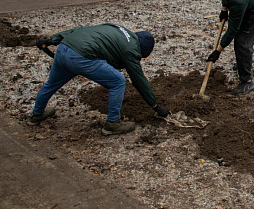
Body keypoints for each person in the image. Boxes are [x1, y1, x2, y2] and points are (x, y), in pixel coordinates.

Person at [29, 23, 170, 135]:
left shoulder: (117, 28)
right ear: (142, 50)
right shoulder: (131, 50)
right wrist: (155, 106)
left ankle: (36, 115)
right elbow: (138, 79)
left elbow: (82, 29)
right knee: (118, 81)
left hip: (64, 48)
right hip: (81, 57)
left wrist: (52, 40)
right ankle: (112, 124)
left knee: (51, 84)